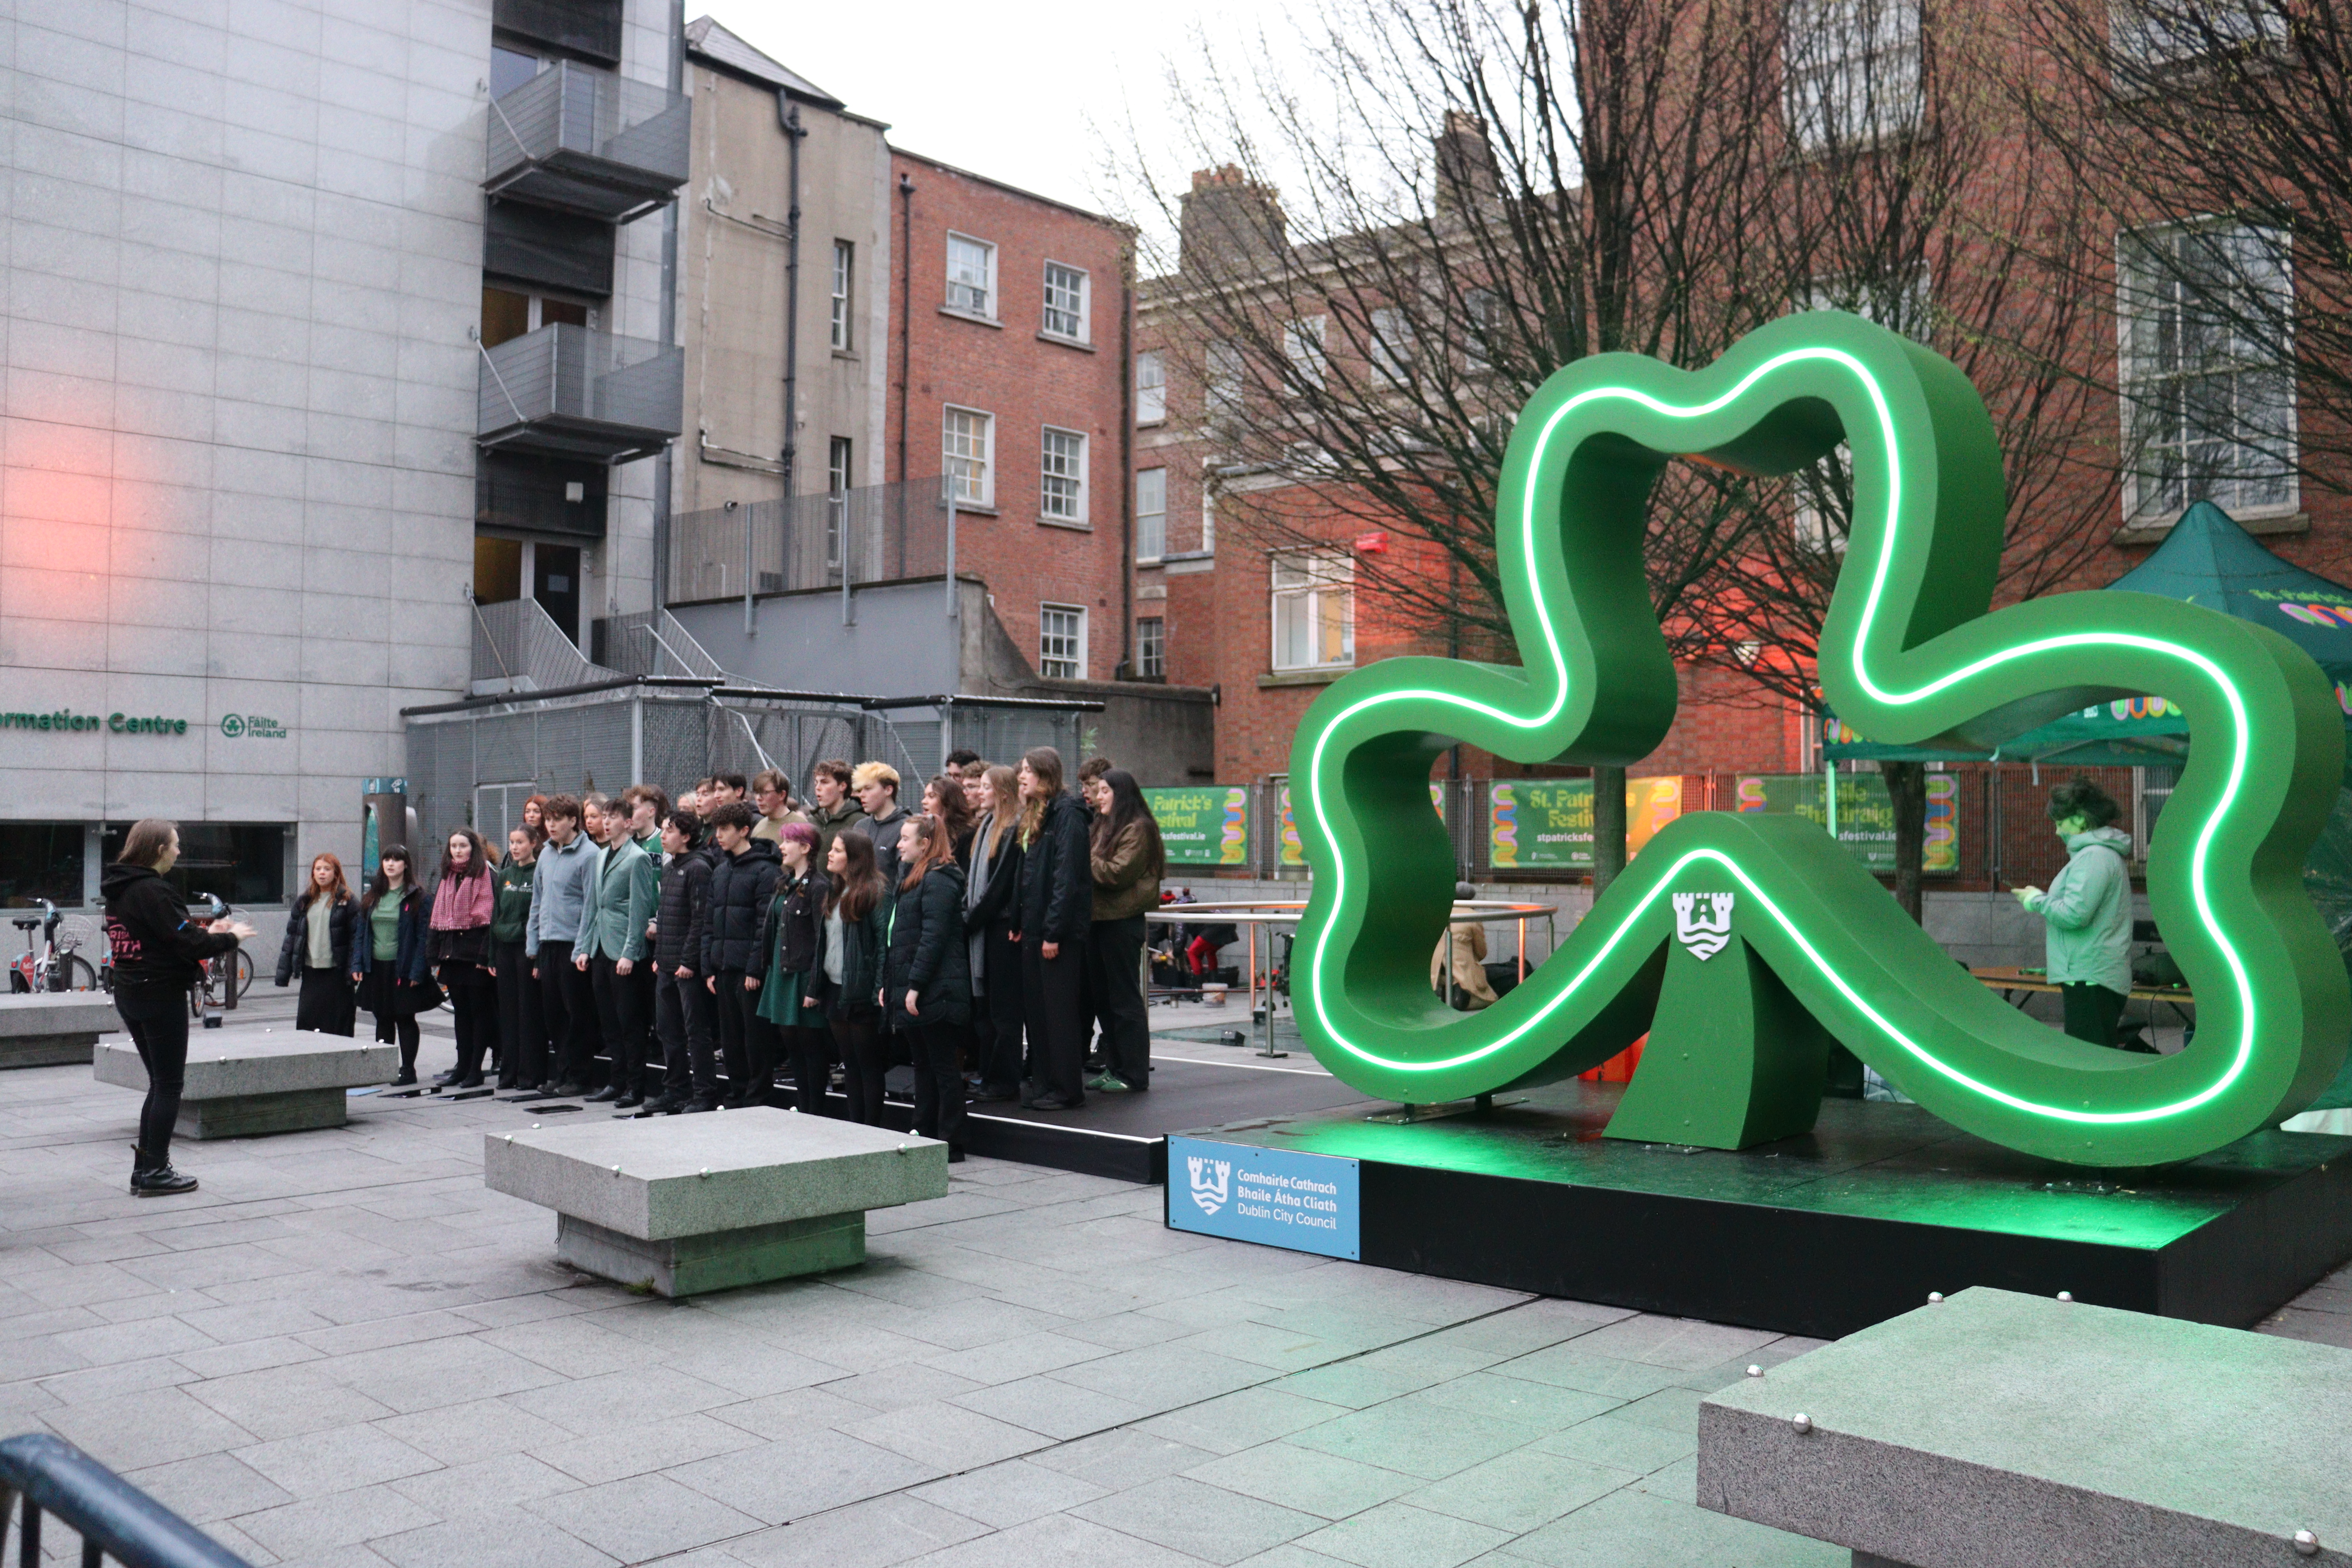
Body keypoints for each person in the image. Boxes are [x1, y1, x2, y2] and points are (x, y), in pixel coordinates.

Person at [102, 820, 255, 1196]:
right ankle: (155, 1171)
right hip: (159, 994)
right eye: (175, 845)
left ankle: (145, 1168)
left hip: (130, 991)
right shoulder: (154, 891)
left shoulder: (120, 889)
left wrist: (208, 934)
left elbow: (170, 935)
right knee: (169, 1085)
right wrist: (228, 938)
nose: (179, 852)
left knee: (158, 1083)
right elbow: (187, 944)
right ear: (158, 850)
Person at [2013, 778, 2140, 1051]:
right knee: (2095, 1059)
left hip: (2089, 977)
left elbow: (2074, 915)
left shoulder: (2093, 858)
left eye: (2061, 822)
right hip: (2094, 976)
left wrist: (2037, 900)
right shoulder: (2101, 856)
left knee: (2089, 1062)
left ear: (2082, 820)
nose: (2057, 831)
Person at [886, 813, 970, 1158]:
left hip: (937, 991)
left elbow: (932, 939)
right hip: (918, 988)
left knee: (942, 1067)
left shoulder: (938, 881)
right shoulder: (914, 878)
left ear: (925, 844)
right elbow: (901, 938)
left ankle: (951, 1142)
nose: (898, 844)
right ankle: (924, 1132)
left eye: (906, 838)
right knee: (923, 1065)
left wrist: (916, 985)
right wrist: (889, 983)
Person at [1013, 748, 1093, 1109]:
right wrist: (1020, 923)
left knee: (1059, 1015)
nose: (1021, 777)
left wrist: (1053, 933)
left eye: (1028, 771)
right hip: (1034, 932)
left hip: (1055, 935)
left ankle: (1066, 1089)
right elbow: (1028, 875)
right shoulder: (1038, 815)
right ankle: (1044, 1084)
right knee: (1038, 1014)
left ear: (1045, 774)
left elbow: (1067, 879)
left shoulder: (1069, 815)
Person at [1085, 769, 1164, 1093]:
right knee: (1104, 1000)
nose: (1097, 796)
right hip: (1099, 921)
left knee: (1125, 1000)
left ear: (1121, 793)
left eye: (1104, 791)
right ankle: (1114, 1066)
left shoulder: (1139, 828)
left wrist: (1081, 855)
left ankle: (1133, 1074)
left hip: (1121, 923)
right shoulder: (1104, 825)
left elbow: (1117, 874)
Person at [577, 793, 658, 1106]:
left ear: (628, 822)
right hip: (600, 947)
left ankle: (635, 1087)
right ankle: (616, 1081)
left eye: (612, 817)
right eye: (604, 817)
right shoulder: (600, 855)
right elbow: (593, 906)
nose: (606, 822)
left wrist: (629, 951)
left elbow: (640, 910)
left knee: (630, 1023)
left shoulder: (638, 858)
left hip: (624, 951)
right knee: (609, 1022)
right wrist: (585, 947)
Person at [702, 800, 783, 1107]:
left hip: (748, 972)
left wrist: (754, 969)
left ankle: (758, 1096)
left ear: (745, 831)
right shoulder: (721, 871)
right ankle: (737, 1093)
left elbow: (765, 925)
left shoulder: (765, 870)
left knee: (756, 1038)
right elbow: (709, 921)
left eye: (725, 829)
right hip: (723, 967)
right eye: (716, 829)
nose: (718, 836)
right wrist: (709, 966)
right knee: (730, 1038)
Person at [808, 829, 889, 1123]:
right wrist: (814, 987)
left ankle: (873, 1127)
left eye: (838, 851)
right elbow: (825, 945)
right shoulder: (834, 891)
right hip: (835, 990)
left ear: (855, 858)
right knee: (849, 1064)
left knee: (867, 1063)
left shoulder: (875, 892)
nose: (830, 854)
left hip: (861, 991)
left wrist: (879, 988)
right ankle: (857, 1126)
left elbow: (883, 944)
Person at [752, 822, 831, 1114]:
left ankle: (816, 1109)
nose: (782, 847)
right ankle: (804, 1104)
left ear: (806, 848)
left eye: (788, 842)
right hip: (782, 972)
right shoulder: (785, 882)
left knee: (811, 1043)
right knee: (791, 1042)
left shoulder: (820, 886)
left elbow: (821, 939)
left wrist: (814, 986)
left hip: (803, 974)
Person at [525, 795, 599, 1096]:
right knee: (553, 1014)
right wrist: (534, 944)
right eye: (548, 819)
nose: (551, 825)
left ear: (573, 820)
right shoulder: (545, 854)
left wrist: (582, 948)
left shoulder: (590, 854)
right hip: (548, 944)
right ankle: (564, 1073)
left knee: (577, 1015)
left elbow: (591, 905)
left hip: (573, 945)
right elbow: (537, 901)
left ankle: (580, 1076)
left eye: (558, 819)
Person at [651, 808, 720, 1112]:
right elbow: (665, 916)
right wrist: (658, 956)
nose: (663, 836)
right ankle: (675, 1089)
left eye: (670, 831)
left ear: (687, 837)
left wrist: (689, 961)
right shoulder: (670, 868)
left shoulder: (698, 868)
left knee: (696, 1031)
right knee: (668, 1030)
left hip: (685, 968)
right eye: (663, 830)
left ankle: (704, 1094)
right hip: (665, 963)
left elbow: (700, 919)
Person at [965, 764, 1025, 1102]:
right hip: (984, 929)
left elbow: (1000, 886)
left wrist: (969, 920)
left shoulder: (1012, 828)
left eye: (985, 787)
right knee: (986, 1010)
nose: (978, 792)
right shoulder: (986, 825)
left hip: (1000, 930)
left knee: (1004, 1012)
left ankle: (1004, 1081)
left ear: (1003, 792)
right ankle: (989, 1074)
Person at [356, 845, 434, 1085]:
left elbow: (424, 938)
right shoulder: (372, 897)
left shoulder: (418, 897)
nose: (391, 864)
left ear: (406, 865)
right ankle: (384, 1069)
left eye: (397, 860)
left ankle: (408, 1070)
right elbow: (362, 934)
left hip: (402, 967)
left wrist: (418, 970)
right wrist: (357, 963)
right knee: (383, 1018)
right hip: (377, 967)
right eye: (387, 860)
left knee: (404, 1017)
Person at [429, 829, 499, 1089]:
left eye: (463, 846)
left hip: (474, 956)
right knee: (461, 1015)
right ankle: (462, 1065)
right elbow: (436, 921)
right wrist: (433, 955)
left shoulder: (485, 875)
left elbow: (490, 920)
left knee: (479, 1013)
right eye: (454, 846)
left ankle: (476, 1069)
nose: (458, 851)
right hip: (452, 954)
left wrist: (484, 956)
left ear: (474, 848)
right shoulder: (448, 877)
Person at [274, 852, 358, 1036]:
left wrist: (354, 968)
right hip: (311, 970)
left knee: (338, 1023)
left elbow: (356, 938)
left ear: (336, 873)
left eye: (327, 869)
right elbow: (292, 937)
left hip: (337, 972)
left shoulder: (347, 901)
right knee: (308, 1021)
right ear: (313, 873)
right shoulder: (305, 901)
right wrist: (283, 973)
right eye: (318, 869)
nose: (322, 873)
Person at [490, 824, 545, 1090]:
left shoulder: (538, 872)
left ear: (533, 843)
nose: (515, 847)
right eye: (512, 842)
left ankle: (529, 1075)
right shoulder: (505, 875)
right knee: (508, 1013)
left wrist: (538, 957)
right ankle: (508, 1073)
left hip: (526, 948)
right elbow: (496, 914)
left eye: (520, 842)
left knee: (528, 1013)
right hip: (504, 949)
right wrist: (491, 956)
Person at [1432, 881, 1499, 1010]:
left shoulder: (1439, 913)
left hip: (1436, 971)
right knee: (1492, 998)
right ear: (1471, 899)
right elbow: (1482, 952)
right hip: (1460, 971)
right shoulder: (1472, 916)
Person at [850, 762, 907, 889]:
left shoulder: (906, 828)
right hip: (861, 903)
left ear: (888, 790)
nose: (862, 795)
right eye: (860, 790)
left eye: (868, 789)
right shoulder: (861, 826)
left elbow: (905, 878)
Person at [808, 759, 867, 860]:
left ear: (842, 786)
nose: (818, 788)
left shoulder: (860, 822)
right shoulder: (811, 821)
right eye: (816, 783)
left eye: (825, 782)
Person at [922, 772, 978, 868]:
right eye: (925, 796)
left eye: (931, 796)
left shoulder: (968, 834)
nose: (924, 801)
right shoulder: (927, 832)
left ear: (948, 801)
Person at [750, 768, 810, 844]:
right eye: (756, 793)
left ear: (782, 795)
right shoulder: (759, 828)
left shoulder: (800, 825)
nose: (759, 798)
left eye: (765, 793)